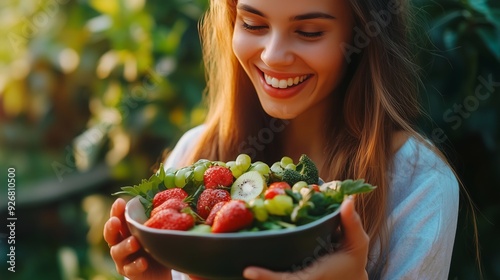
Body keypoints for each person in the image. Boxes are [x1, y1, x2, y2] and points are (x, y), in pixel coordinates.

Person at [103, 0, 461, 279]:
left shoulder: (419, 184)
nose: (273, 56)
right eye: (253, 24)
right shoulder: (193, 154)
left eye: (308, 31)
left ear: (363, 34)